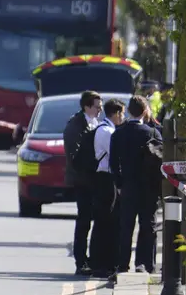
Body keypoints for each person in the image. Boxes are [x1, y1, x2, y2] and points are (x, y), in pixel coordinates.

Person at [110, 95, 163, 274]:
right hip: (149, 187)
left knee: (126, 226)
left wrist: (119, 184)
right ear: (145, 110)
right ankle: (144, 264)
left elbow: (113, 162)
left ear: (130, 111)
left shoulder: (118, 133)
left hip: (128, 186)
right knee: (147, 226)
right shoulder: (152, 133)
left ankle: (122, 264)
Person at [62, 90, 102, 275]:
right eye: (97, 107)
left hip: (93, 179)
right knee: (84, 219)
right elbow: (74, 156)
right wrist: (93, 164)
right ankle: (80, 260)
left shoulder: (94, 122)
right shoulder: (75, 125)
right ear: (87, 106)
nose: (99, 110)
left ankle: (93, 258)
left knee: (94, 219)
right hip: (83, 179)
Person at [90, 99, 125, 278]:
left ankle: (105, 262)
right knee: (104, 221)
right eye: (122, 114)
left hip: (107, 178)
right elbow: (115, 156)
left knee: (109, 220)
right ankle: (99, 263)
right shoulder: (107, 131)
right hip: (104, 178)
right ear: (116, 113)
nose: (123, 117)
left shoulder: (108, 129)